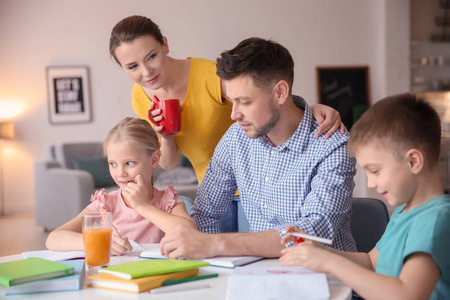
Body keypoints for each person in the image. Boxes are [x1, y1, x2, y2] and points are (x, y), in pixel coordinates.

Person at [158, 37, 357, 260]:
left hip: (324, 281)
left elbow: (309, 235)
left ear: (280, 92)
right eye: (232, 101)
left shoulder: (332, 145)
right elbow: (206, 214)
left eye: (245, 101)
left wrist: (215, 244)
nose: (234, 114)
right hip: (257, 277)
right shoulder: (237, 137)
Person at [109, 15, 345, 183]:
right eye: (132, 66)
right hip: (213, 187)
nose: (147, 72)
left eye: (151, 56)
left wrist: (312, 107)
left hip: (256, 182)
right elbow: (168, 163)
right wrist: (165, 136)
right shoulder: (139, 97)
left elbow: (267, 96)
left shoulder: (209, 76)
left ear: (165, 44)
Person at [280, 93, 450, 299]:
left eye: (375, 171)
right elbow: (371, 262)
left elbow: (407, 294)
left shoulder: (435, 219)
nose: (370, 184)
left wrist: (328, 262)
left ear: (413, 161)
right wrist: (320, 251)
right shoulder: (404, 211)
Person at [46, 117, 196, 255]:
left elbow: (190, 232)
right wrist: (98, 241)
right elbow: (53, 238)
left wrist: (142, 206)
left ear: (154, 159)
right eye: (113, 164)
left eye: (129, 163)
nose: (120, 173)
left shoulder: (168, 200)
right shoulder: (106, 204)